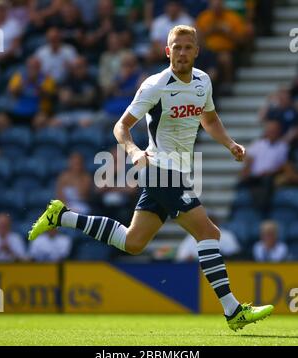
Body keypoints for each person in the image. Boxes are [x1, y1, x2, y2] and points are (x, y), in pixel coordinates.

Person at [28, 25, 273, 331]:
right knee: (208, 233)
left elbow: (209, 119)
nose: (182, 52)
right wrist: (131, 150)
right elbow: (121, 126)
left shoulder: (203, 81)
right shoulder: (155, 85)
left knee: (133, 242)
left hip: (176, 170)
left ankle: (62, 216)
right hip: (158, 169)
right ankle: (232, 310)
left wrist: (230, 144)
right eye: (176, 47)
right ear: (167, 51)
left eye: (188, 47)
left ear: (197, 51)